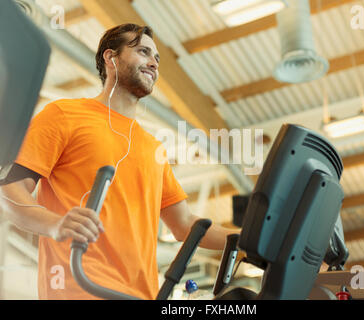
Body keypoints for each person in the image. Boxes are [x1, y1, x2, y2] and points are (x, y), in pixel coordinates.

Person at [0, 23, 239, 300]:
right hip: (78, 288)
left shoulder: (152, 148)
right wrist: (55, 224)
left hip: (141, 296)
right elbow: (9, 192)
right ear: (110, 58)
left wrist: (250, 240)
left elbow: (185, 225)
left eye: (157, 58)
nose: (153, 63)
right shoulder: (64, 115)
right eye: (143, 52)